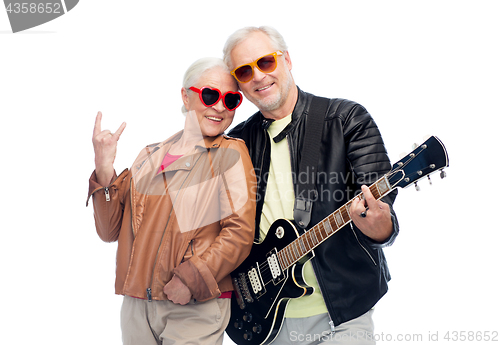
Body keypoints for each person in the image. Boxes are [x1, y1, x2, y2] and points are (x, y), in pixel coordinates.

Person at [223, 26, 399, 344]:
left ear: (287, 60)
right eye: (244, 71)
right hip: (262, 319)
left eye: (265, 62)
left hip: (343, 316)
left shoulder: (346, 120)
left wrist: (381, 227)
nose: (258, 77)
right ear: (239, 85)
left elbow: (381, 210)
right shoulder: (235, 143)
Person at [86, 57, 256, 345]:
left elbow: (239, 234)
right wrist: (104, 169)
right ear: (186, 96)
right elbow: (109, 232)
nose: (220, 107)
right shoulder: (149, 156)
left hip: (193, 305)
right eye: (210, 95)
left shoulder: (231, 154)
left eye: (231, 100)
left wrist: (191, 279)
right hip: (137, 306)